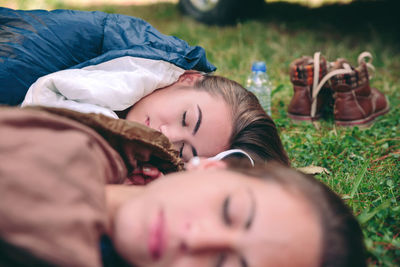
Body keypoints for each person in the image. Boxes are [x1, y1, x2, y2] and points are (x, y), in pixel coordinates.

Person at [0, 112, 366, 266]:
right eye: (228, 211)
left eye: (226, 265)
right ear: (208, 166)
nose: (198, 240)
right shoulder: (67, 150)